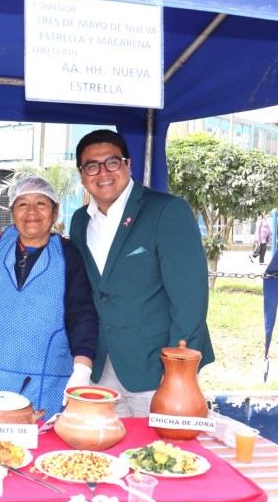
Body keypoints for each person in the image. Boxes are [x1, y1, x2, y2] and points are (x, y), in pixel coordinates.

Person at [68, 129, 214, 417]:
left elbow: (190, 298)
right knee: (107, 445)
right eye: (92, 166)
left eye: (112, 162)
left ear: (128, 164)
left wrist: (178, 369)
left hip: (156, 368)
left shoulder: (166, 211)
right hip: (101, 368)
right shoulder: (79, 221)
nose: (103, 173)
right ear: (82, 174)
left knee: (161, 445)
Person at [0, 176, 98, 419]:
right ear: (12, 212)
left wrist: (82, 368)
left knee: (41, 441)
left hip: (48, 384)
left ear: (55, 210)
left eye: (41, 203)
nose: (31, 212)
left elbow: (82, 315)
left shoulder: (68, 257)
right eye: (22, 204)